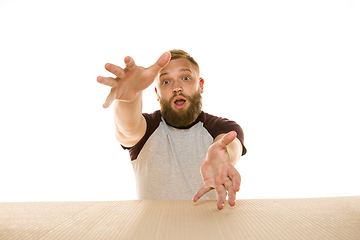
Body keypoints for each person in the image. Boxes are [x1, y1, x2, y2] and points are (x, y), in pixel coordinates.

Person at [97, 50, 247, 210]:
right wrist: (128, 99)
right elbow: (127, 129)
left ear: (201, 85)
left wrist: (224, 155)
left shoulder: (223, 128)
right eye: (166, 82)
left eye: (185, 78)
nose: (177, 88)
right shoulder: (147, 129)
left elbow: (231, 145)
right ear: (157, 92)